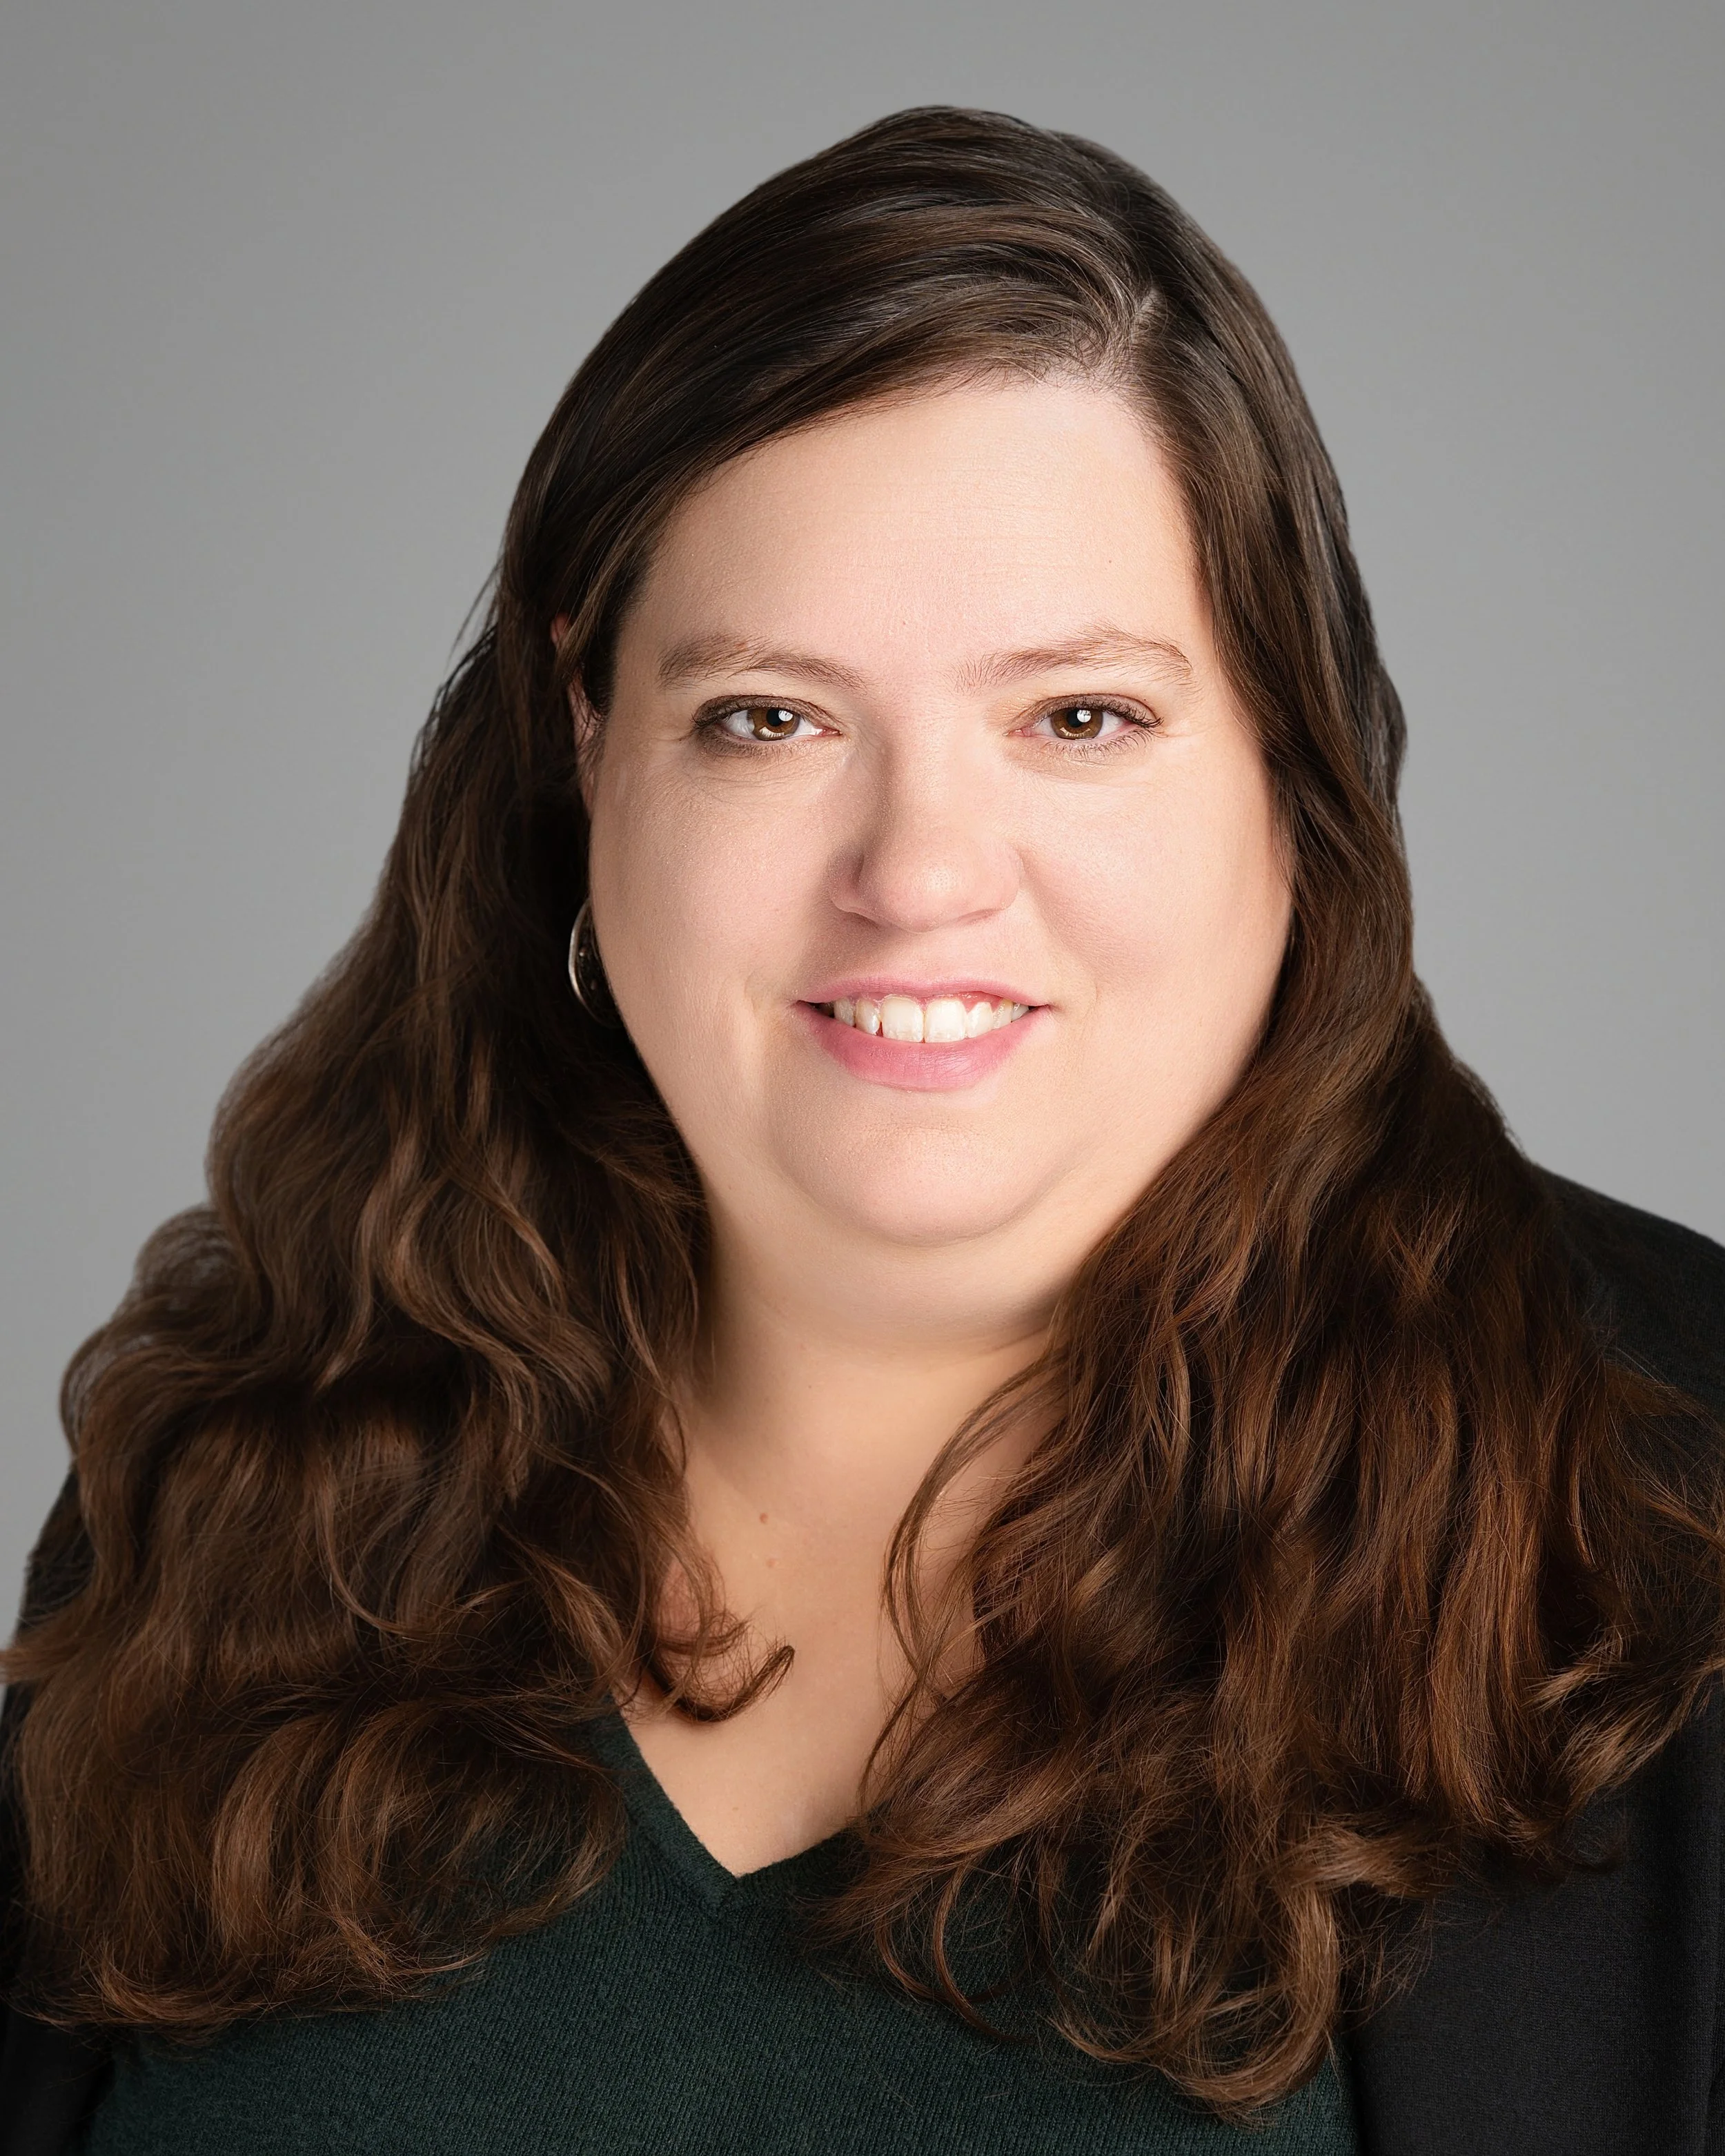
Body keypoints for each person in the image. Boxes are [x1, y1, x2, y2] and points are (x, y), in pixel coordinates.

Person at [2, 105, 1722, 2156]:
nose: (917, 873)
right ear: (586, 733)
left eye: (1078, 717)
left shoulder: (1672, 1531)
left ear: (1291, 761)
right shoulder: (242, 1472)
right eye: (768, 716)